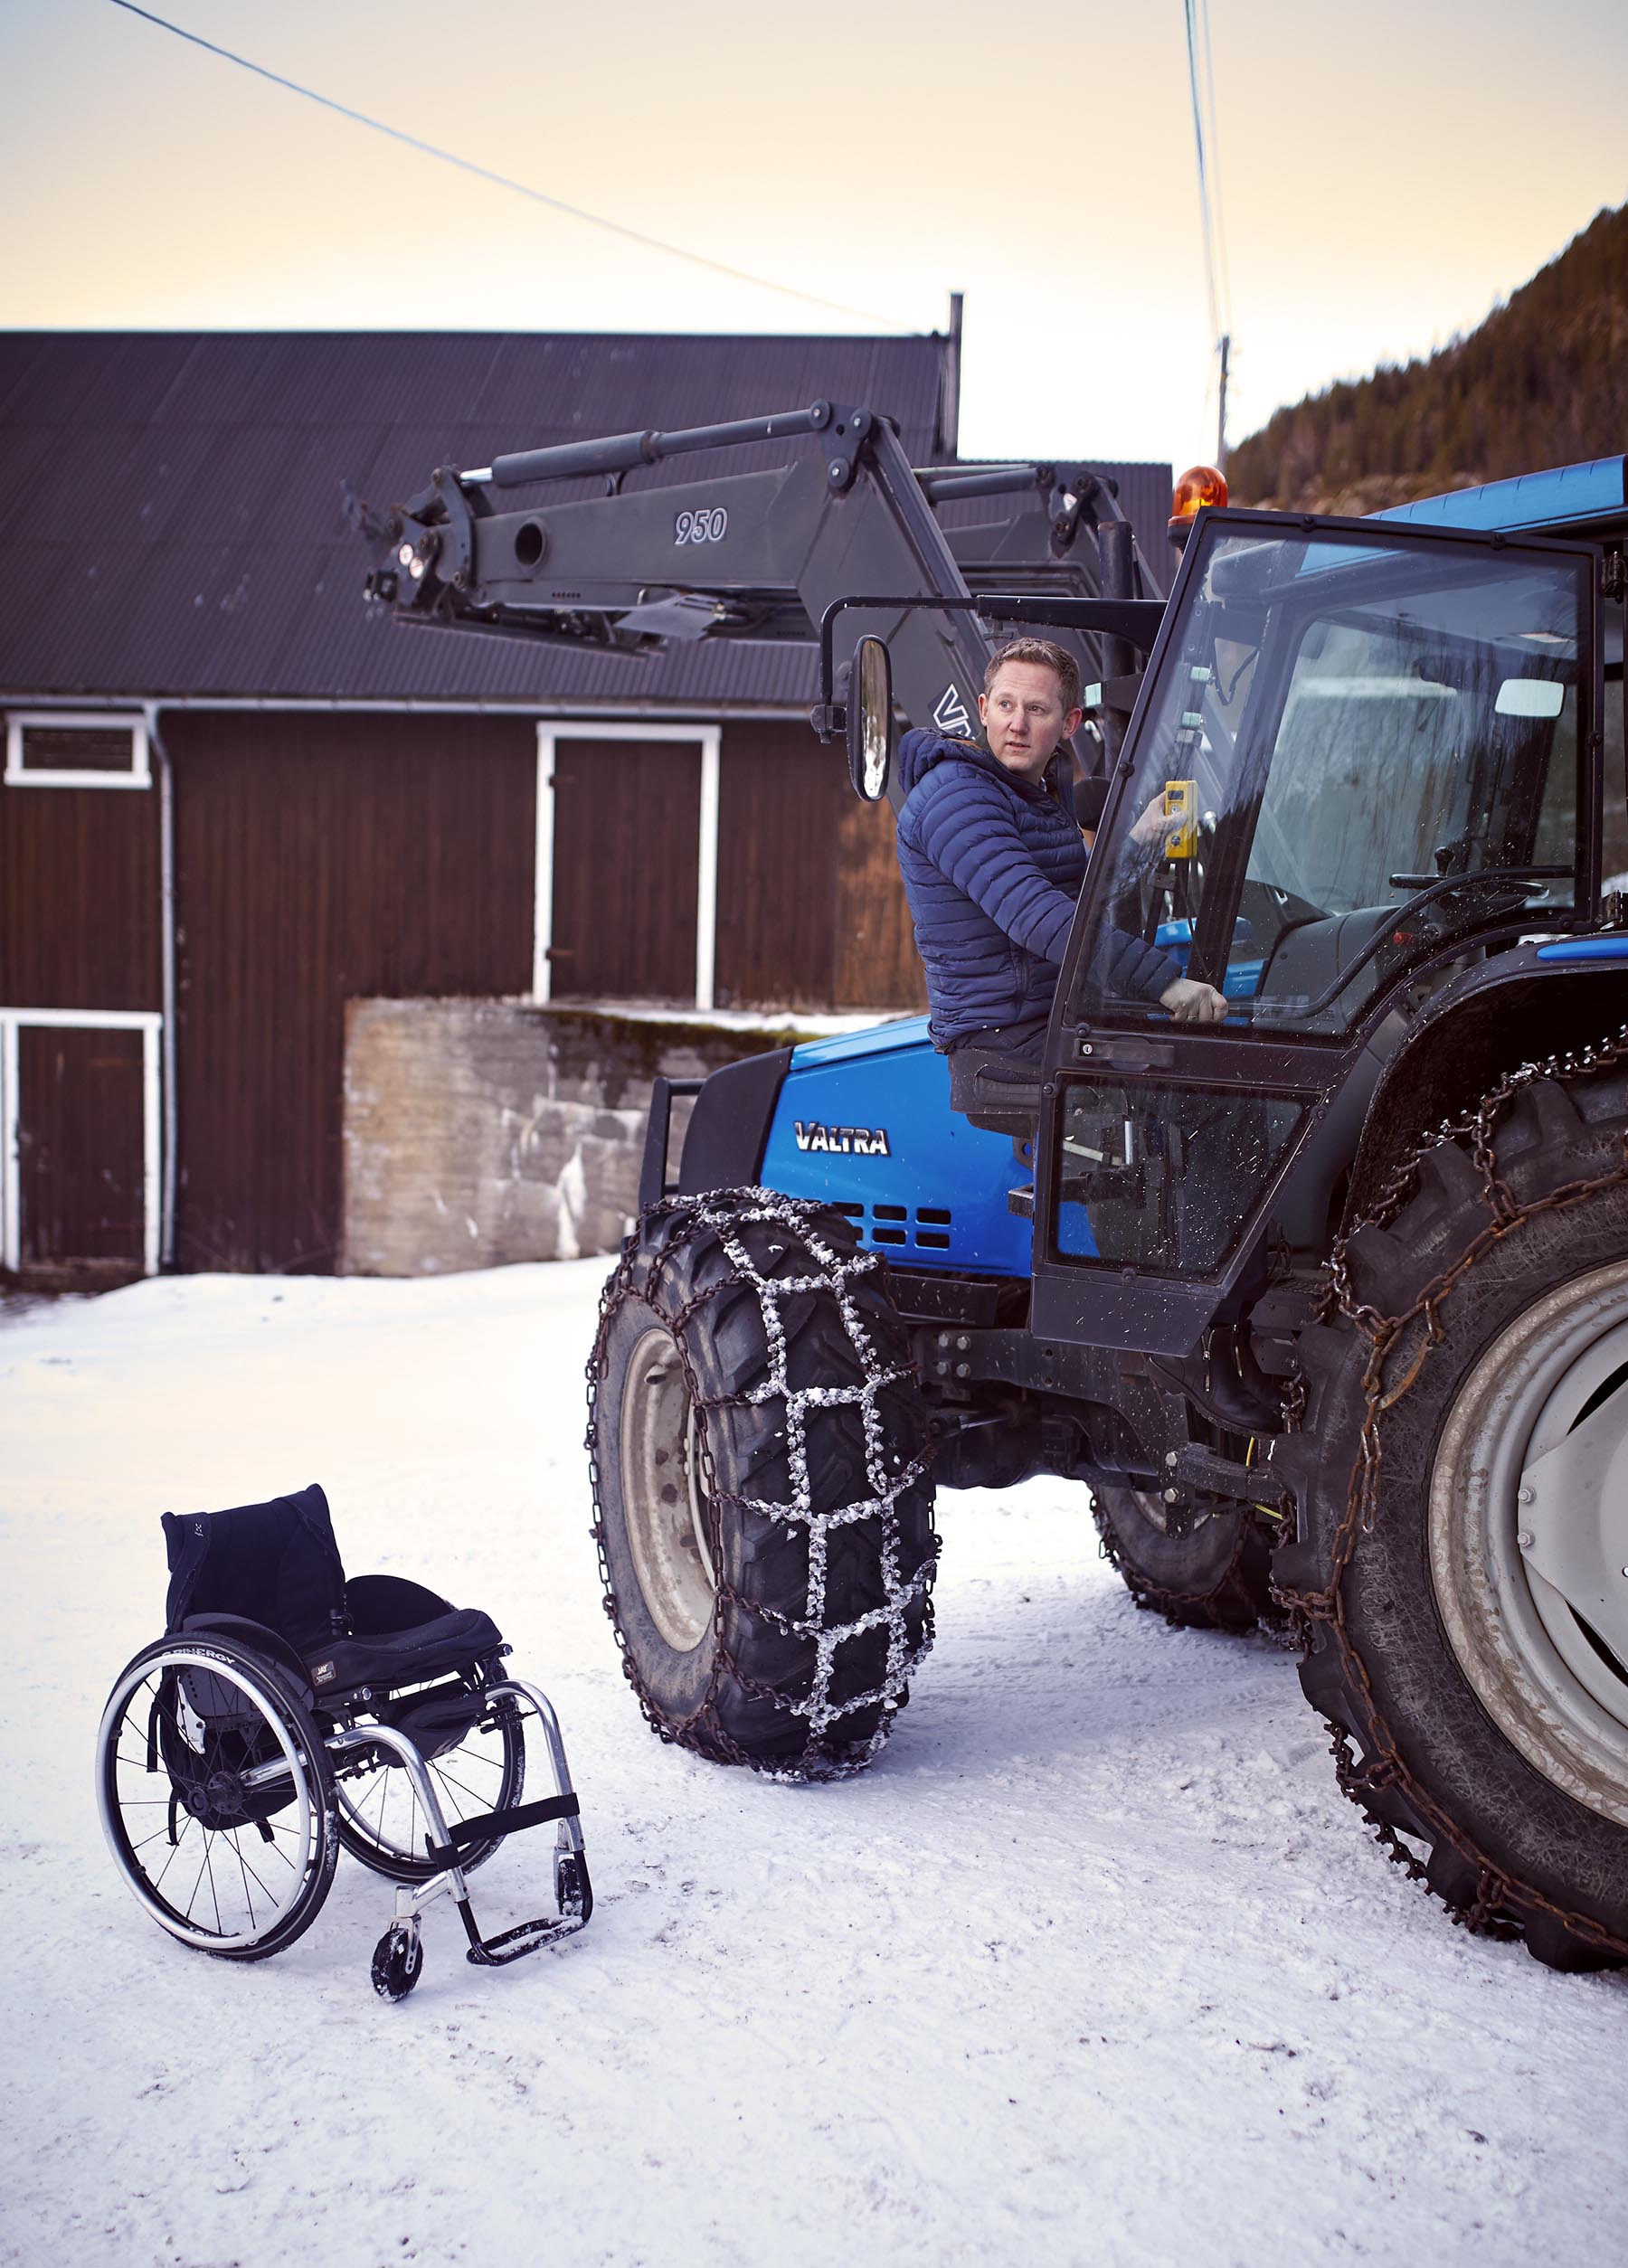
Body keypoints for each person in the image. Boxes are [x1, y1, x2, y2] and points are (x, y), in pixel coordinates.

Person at [894, 636, 1227, 1063]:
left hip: (1050, 1015)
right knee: (1189, 1079)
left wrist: (1136, 843)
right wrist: (1164, 983)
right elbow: (1037, 915)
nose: (1017, 724)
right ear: (982, 709)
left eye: (1036, 709)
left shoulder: (1030, 792)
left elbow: (1072, 895)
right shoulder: (957, 797)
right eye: (1005, 706)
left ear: (1070, 723)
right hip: (1003, 1036)